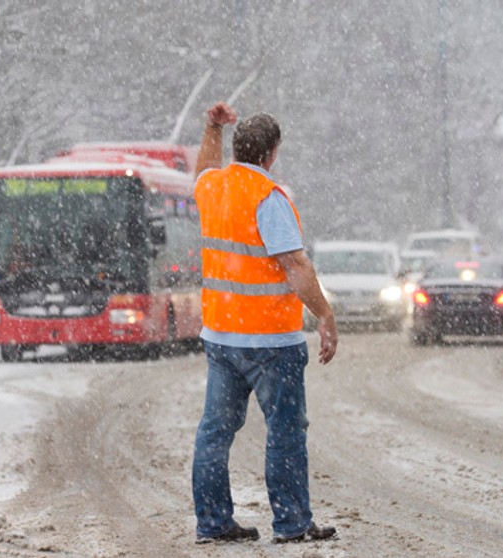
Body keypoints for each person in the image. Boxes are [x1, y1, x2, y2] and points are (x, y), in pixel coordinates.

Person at [191, 101, 338, 544]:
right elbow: (295, 265)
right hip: (271, 339)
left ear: (237, 148)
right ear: (272, 153)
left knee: (215, 433)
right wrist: (325, 314)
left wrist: (212, 128)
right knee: (285, 432)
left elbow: (203, 169)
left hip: (221, 336)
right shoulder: (268, 197)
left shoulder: (213, 187)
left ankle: (213, 524)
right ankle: (292, 524)